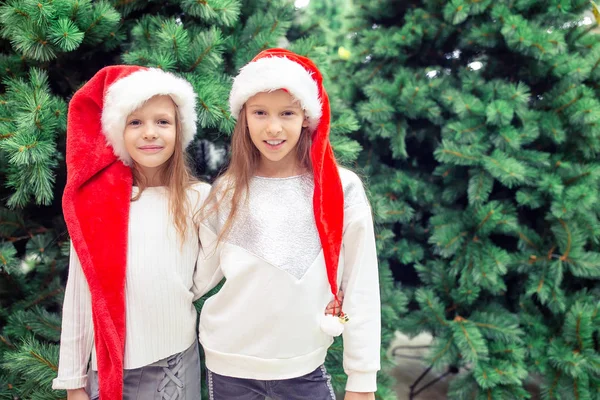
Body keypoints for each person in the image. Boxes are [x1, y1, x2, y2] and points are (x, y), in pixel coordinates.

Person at [193, 49, 381, 400]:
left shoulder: (341, 190)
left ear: (306, 118)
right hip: (230, 368)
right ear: (243, 117)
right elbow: (195, 279)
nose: (273, 127)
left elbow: (361, 286)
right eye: (260, 112)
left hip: (303, 371)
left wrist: (362, 380)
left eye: (287, 113)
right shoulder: (227, 192)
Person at [53, 65, 208, 399]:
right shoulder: (98, 207)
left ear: (180, 129)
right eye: (135, 122)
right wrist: (73, 384)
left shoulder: (198, 199)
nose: (149, 132)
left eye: (162, 121)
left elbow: (211, 269)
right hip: (109, 368)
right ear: (117, 131)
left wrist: (173, 290)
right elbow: (81, 295)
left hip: (174, 361)